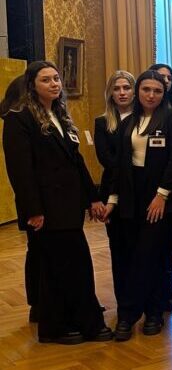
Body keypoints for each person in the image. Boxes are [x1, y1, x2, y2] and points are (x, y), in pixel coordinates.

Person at [2, 61, 111, 344]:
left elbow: (76, 162)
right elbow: (20, 171)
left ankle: (74, 319)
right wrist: (33, 211)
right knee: (61, 267)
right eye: (46, 80)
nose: (55, 84)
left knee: (72, 265)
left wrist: (92, 197)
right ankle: (59, 327)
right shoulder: (19, 117)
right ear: (32, 85)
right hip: (46, 209)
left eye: (57, 79)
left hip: (69, 206)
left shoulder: (60, 115)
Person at [110, 70, 172, 340]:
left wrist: (162, 195)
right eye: (146, 90)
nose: (151, 95)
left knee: (152, 254)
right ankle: (131, 312)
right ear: (137, 92)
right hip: (132, 195)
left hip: (161, 197)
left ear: (163, 93)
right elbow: (119, 164)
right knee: (132, 255)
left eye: (157, 90)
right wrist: (113, 199)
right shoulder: (128, 121)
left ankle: (150, 312)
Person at [94, 70, 136, 309]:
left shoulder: (144, 119)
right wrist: (113, 196)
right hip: (112, 193)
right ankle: (125, 306)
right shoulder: (102, 122)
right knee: (119, 252)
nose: (122, 93)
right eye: (117, 88)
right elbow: (107, 160)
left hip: (141, 195)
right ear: (110, 92)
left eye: (126, 88)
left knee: (141, 251)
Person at [1, 75, 39, 322]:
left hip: (50, 201)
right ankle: (38, 303)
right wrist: (33, 208)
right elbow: (21, 171)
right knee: (36, 252)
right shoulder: (17, 122)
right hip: (33, 201)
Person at [148, 62, 172, 307]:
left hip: (171, 188)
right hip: (141, 191)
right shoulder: (135, 117)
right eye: (160, 77)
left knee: (168, 239)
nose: (164, 81)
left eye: (168, 78)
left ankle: (167, 284)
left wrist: (163, 191)